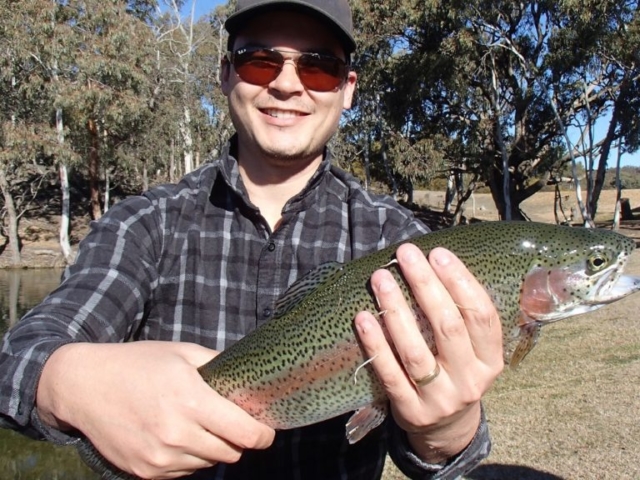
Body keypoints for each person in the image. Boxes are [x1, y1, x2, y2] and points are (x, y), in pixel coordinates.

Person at [0, 1, 503, 479]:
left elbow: (440, 457)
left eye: (318, 66)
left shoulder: (401, 245)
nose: (287, 85)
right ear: (225, 74)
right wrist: (67, 382)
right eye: (260, 61)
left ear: (348, 88)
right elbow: (19, 357)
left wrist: (446, 426)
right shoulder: (144, 224)